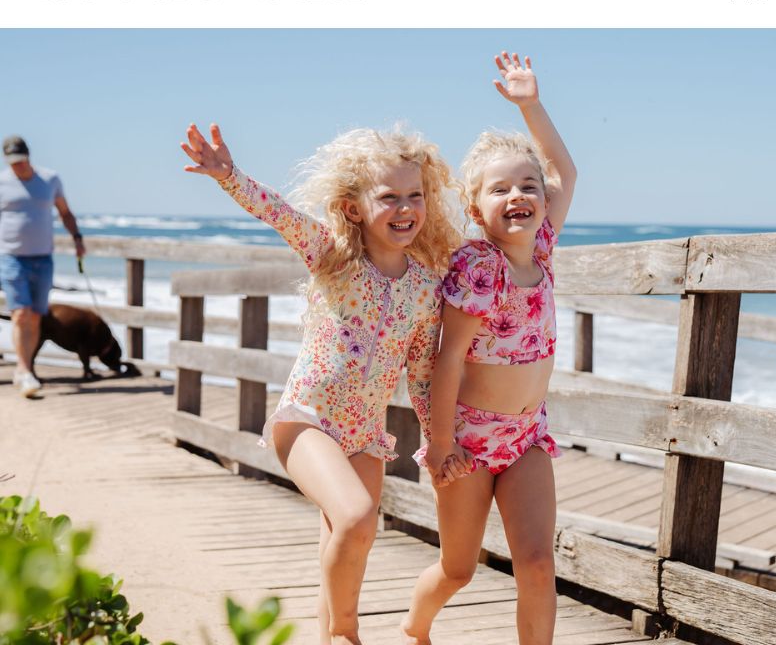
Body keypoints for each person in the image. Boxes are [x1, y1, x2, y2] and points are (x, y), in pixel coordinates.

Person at [181, 123, 461, 645]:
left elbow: (423, 375)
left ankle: (324, 634)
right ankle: (345, 635)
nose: (406, 208)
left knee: (346, 539)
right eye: (389, 197)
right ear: (355, 208)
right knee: (356, 519)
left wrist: (437, 442)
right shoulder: (333, 256)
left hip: (365, 435)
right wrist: (229, 177)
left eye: (415, 196)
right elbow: (278, 214)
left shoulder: (426, 287)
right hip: (308, 421)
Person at [403, 53, 577, 645]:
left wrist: (530, 105)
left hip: (526, 436)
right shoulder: (481, 266)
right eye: (499, 189)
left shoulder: (544, 250)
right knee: (460, 567)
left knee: (536, 563)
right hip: (467, 440)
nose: (518, 195)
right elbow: (449, 359)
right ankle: (414, 628)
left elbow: (565, 172)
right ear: (476, 209)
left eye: (528, 186)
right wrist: (441, 443)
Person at [1, 135, 86, 398]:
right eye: (12, 162)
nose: (17, 166)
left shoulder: (50, 179)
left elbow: (65, 212)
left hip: (43, 258)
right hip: (10, 257)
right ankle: (25, 371)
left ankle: (24, 370)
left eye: (20, 161)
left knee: (36, 316)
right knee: (21, 313)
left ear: (28, 156)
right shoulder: (2, 181)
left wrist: (77, 239)